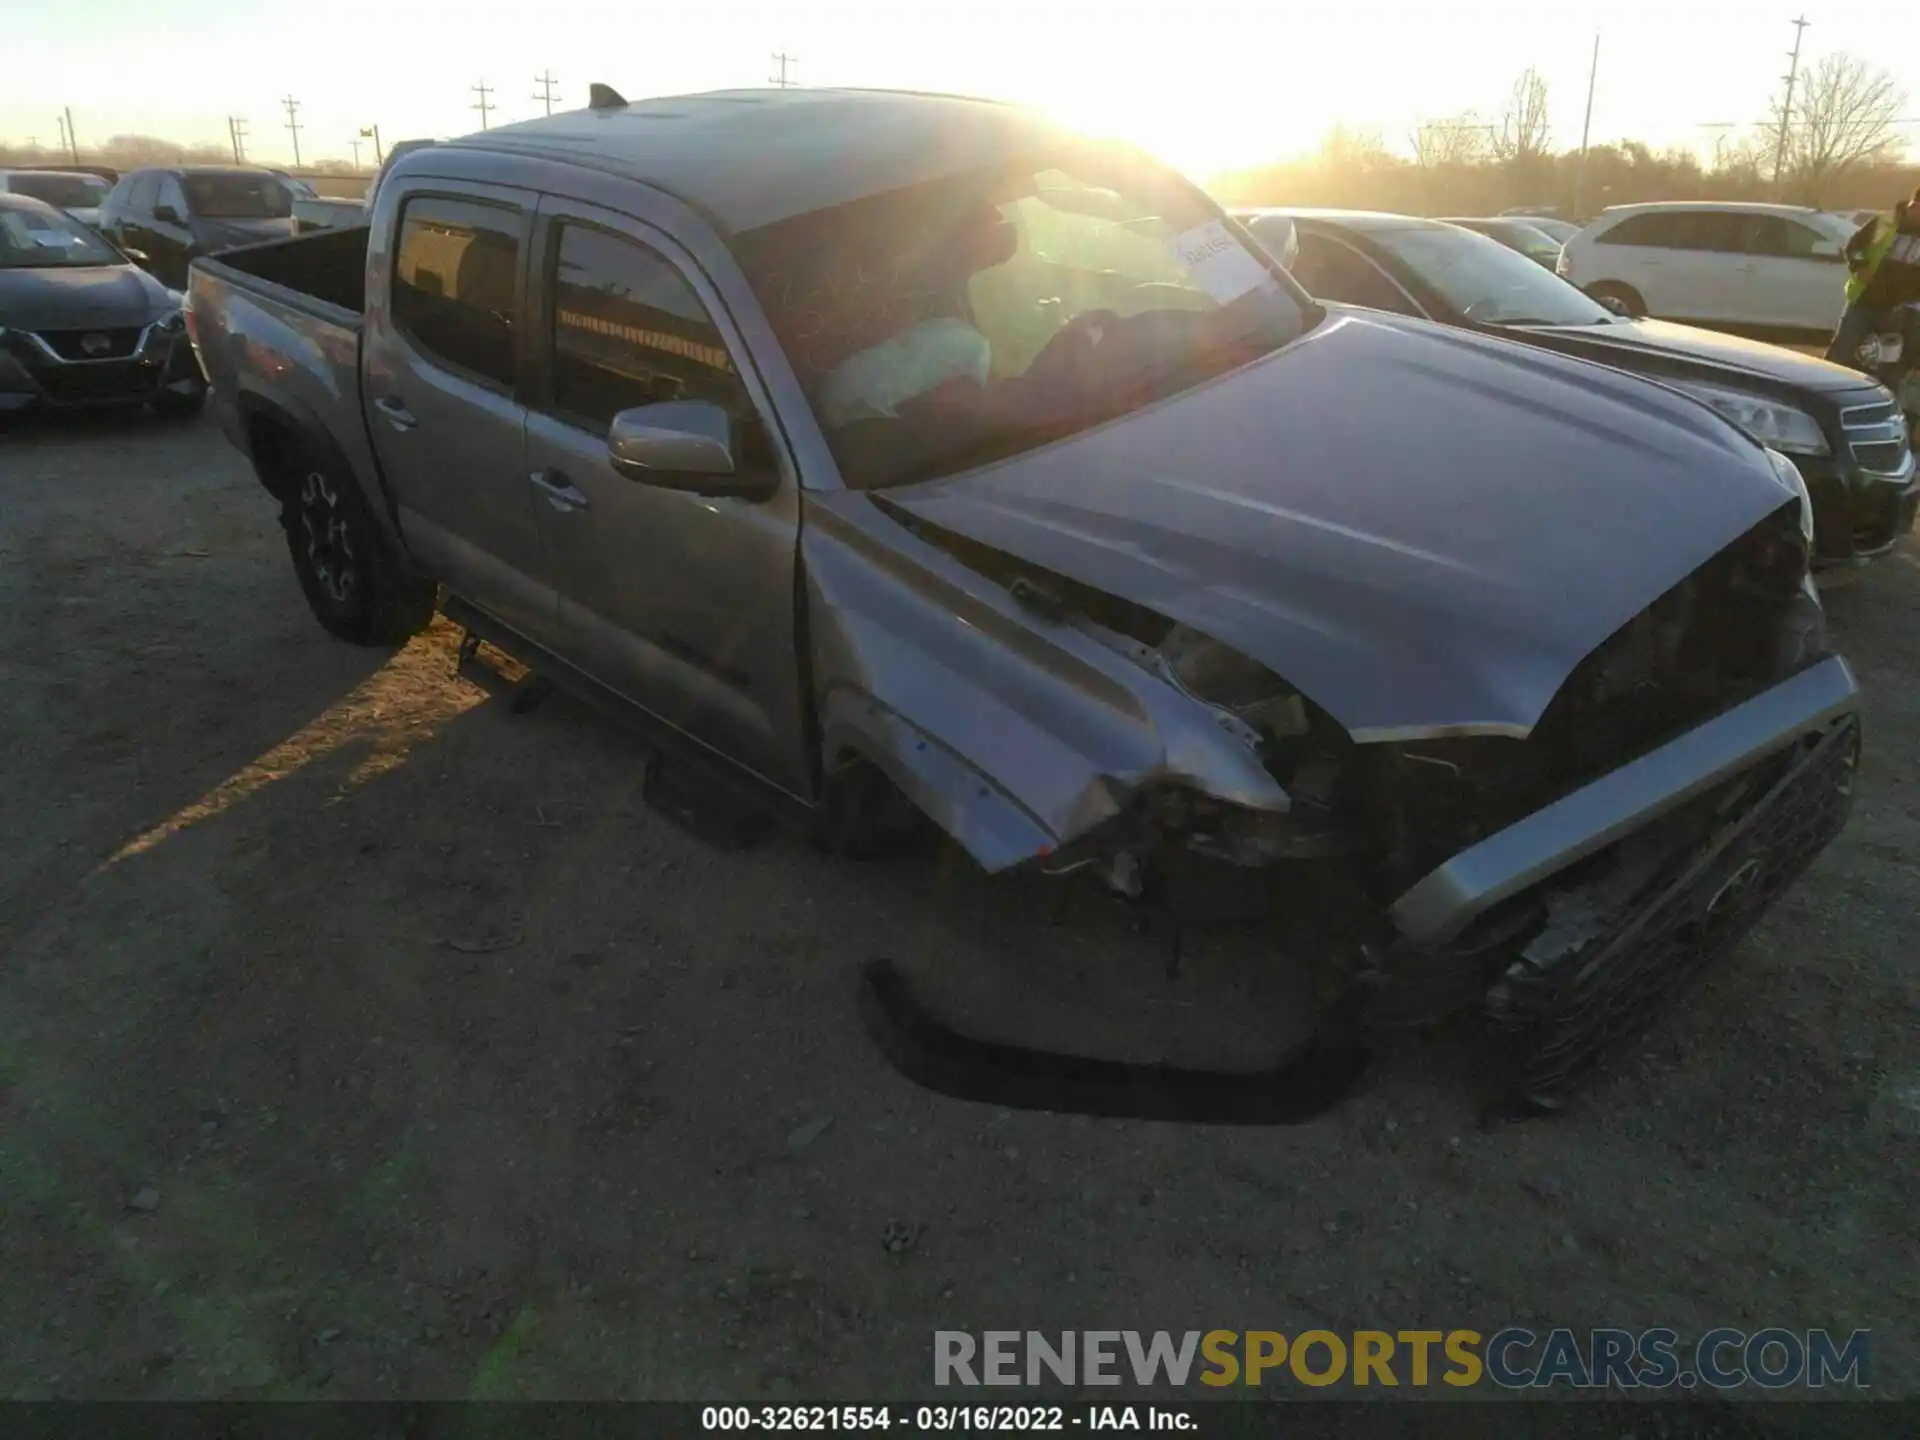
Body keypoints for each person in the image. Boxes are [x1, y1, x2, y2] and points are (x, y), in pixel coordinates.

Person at [1827, 188, 1920, 365]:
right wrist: (1861, 266)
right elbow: (1854, 248)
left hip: (1899, 311)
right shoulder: (1886, 223)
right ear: (1913, 205)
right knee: (1841, 355)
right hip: (1865, 301)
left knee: (1887, 363)